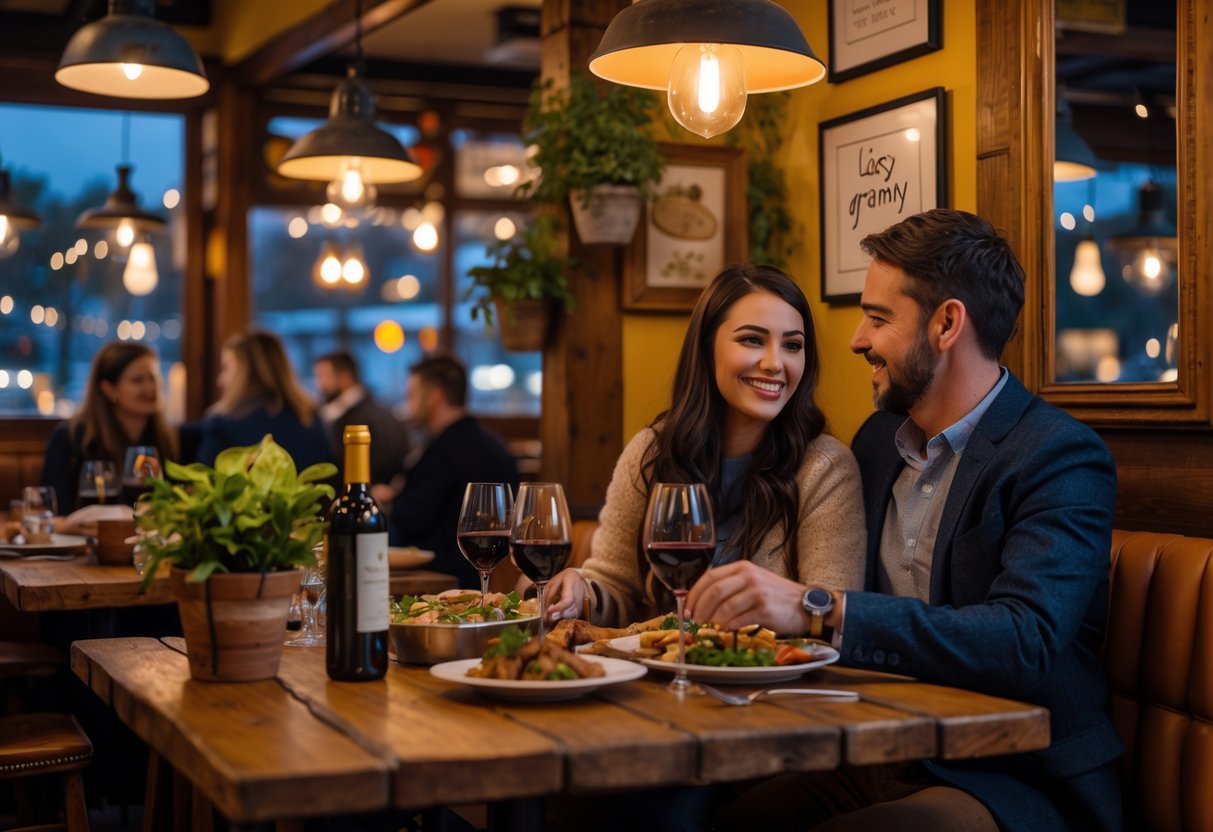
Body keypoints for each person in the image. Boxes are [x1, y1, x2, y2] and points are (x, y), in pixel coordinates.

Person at [698, 210, 1122, 832]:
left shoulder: (1059, 456)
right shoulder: (876, 442)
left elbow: (1023, 640)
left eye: (877, 318)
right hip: (883, 750)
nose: (856, 340)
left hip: (1014, 776)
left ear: (946, 324)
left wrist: (820, 607)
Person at [544, 264, 866, 629]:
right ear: (707, 346)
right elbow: (615, 585)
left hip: (772, 665)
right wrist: (580, 593)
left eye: (792, 345)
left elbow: (831, 618)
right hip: (658, 664)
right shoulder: (651, 451)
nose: (775, 363)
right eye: (752, 340)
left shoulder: (825, 468)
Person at [387, 354, 518, 588]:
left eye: (412, 394)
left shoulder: (441, 452)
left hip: (441, 585)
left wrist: (393, 501)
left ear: (435, 397)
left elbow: (411, 520)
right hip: (493, 580)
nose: (408, 404)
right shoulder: (496, 446)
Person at [41, 341, 176, 515]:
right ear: (109, 389)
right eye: (138, 380)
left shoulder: (168, 438)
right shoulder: (69, 438)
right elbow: (54, 513)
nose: (150, 387)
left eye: (153, 378)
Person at [195, 330, 335, 472]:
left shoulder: (224, 424)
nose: (220, 380)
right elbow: (330, 475)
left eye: (226, 368)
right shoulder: (311, 417)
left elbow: (205, 480)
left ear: (245, 372)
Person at [313, 349, 408, 487]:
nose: (318, 384)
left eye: (323, 376)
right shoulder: (384, 411)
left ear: (345, 377)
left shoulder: (352, 422)